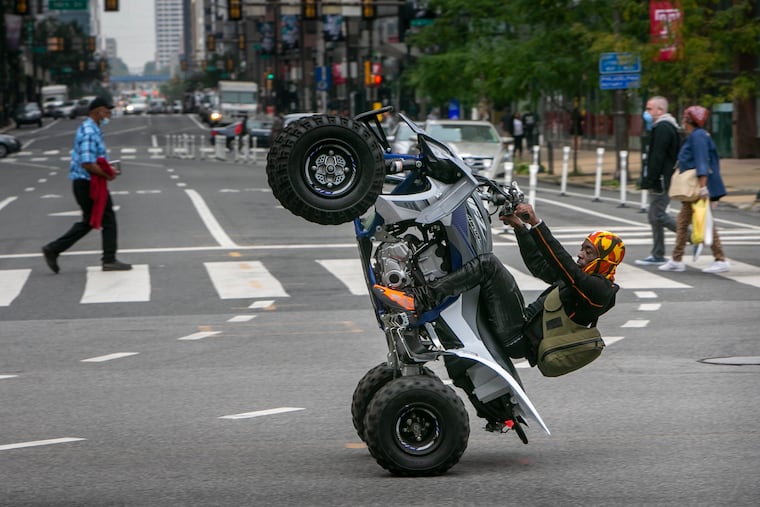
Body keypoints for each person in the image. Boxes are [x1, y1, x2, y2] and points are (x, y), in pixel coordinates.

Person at [374, 203, 625, 364]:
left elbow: (564, 266)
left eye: (589, 252)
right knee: (476, 269)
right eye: (582, 248)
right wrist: (520, 228)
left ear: (605, 261)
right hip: (521, 326)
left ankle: (417, 300)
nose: (581, 254)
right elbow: (540, 265)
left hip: (521, 338)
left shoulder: (599, 291)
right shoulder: (582, 281)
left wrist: (536, 224)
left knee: (487, 265)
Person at [42, 96, 132, 273]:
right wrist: (107, 174)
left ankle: (53, 249)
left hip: (87, 183)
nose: (109, 115)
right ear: (96, 111)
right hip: (88, 183)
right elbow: (87, 163)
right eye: (107, 111)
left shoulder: (93, 129)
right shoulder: (90, 132)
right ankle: (109, 259)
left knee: (91, 221)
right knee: (108, 220)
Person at [659, 105, 728, 274]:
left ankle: (720, 259)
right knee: (682, 223)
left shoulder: (698, 137)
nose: (683, 120)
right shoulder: (696, 136)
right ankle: (677, 259)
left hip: (697, 188)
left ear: (691, 120)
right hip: (694, 190)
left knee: (706, 223)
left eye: (685, 117)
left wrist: (704, 187)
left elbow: (702, 162)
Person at [635, 96, 680, 266]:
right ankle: (658, 253)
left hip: (661, 180)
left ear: (660, 110)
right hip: (661, 178)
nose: (646, 112)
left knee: (658, 215)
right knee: (654, 216)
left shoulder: (663, 127)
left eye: (649, 109)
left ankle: (692, 236)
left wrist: (649, 179)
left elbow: (658, 157)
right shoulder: (662, 126)